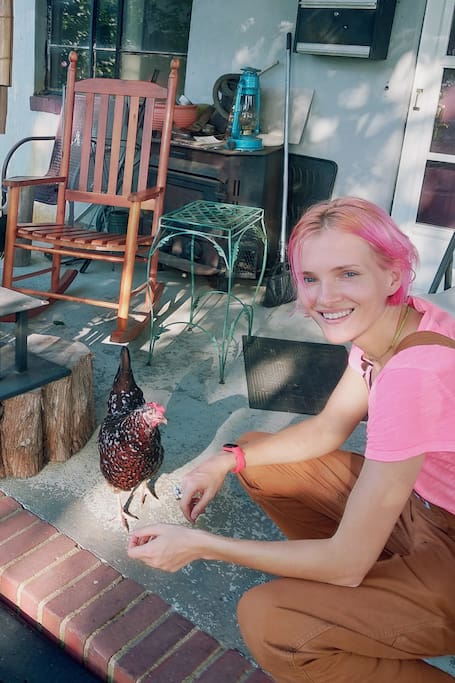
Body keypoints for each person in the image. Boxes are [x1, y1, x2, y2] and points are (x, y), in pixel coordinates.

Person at [127, 197, 455, 682]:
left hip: (447, 544)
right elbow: (327, 428)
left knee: (273, 623)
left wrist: (202, 545)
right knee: (258, 455)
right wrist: (226, 459)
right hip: (420, 505)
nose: (326, 297)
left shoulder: (415, 373)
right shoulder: (395, 326)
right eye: (311, 278)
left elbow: (346, 563)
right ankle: (357, 595)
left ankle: (351, 598)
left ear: (392, 275)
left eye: (348, 274)